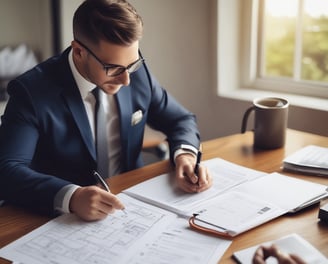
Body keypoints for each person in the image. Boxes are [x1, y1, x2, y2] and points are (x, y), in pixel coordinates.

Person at [0, 0, 212, 221]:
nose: (127, 79)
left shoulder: (135, 72)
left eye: (133, 64)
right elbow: (7, 170)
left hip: (133, 206)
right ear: (79, 51)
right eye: (113, 68)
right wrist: (71, 197)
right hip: (60, 218)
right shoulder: (30, 92)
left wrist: (185, 155)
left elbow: (181, 119)